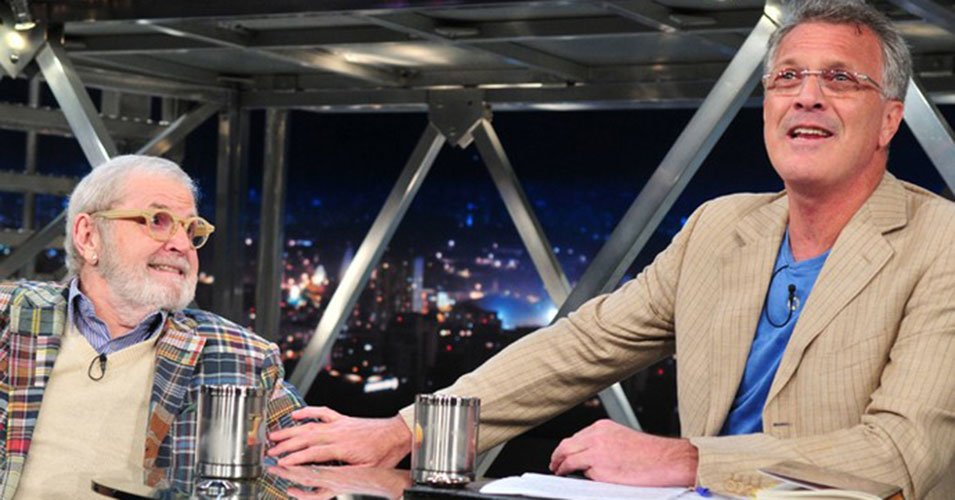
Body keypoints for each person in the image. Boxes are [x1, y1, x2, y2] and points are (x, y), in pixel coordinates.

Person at [267, 1, 955, 498]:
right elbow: (581, 346)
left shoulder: (940, 242)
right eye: (787, 78)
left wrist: (687, 460)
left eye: (840, 79)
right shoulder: (719, 228)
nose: (806, 97)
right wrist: (404, 432)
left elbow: (900, 452)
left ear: (888, 120)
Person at [0, 155, 306, 499]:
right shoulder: (7, 317)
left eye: (190, 230)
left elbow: (308, 477)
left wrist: (355, 449)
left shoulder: (241, 358)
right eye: (157, 221)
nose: (182, 245)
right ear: (89, 236)